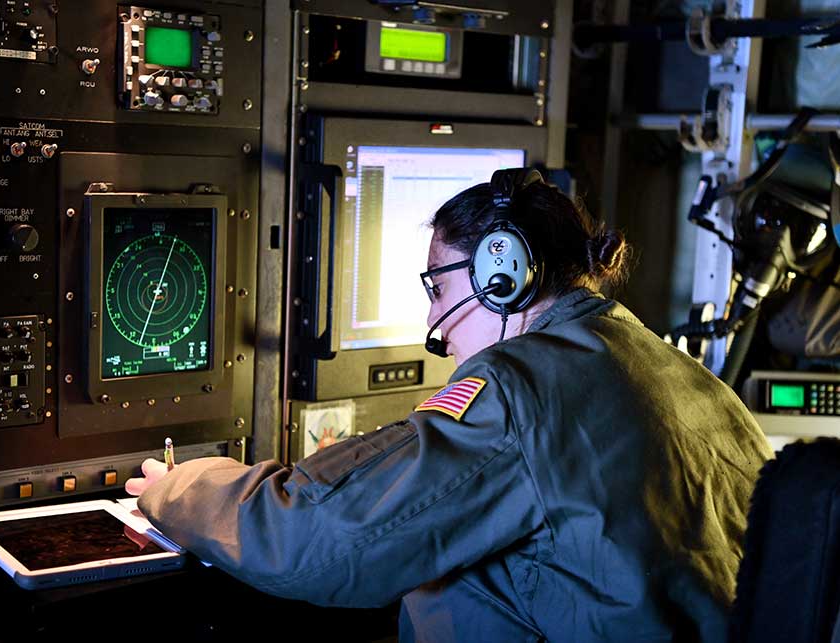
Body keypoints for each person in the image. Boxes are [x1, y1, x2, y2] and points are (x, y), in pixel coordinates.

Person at [126, 169, 773, 642]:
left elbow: (318, 540)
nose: (434, 319)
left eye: (438, 286)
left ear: (503, 274)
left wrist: (183, 486)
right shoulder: (683, 375)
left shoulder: (520, 384)